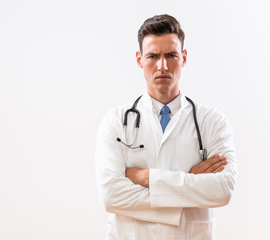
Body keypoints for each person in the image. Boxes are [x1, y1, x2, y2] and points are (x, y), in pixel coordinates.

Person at [95, 14, 237, 240]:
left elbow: (223, 189)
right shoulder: (116, 121)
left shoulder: (212, 122)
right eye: (153, 56)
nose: (162, 65)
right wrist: (189, 184)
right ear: (139, 59)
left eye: (171, 55)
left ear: (184, 58)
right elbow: (111, 195)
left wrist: (146, 177)